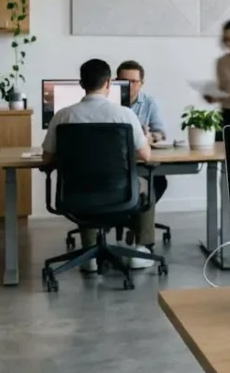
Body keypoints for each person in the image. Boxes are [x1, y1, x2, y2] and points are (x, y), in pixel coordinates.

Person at [43, 58, 156, 270]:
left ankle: (89, 254)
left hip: (75, 194)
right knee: (146, 186)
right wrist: (147, 139)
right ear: (108, 84)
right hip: (119, 192)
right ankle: (141, 249)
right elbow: (146, 156)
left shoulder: (62, 116)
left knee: (85, 184)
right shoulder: (125, 114)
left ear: (81, 84)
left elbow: (46, 158)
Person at [116, 59, 169, 203]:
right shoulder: (108, 102)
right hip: (113, 158)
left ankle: (136, 216)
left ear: (142, 83)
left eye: (134, 81)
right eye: (124, 81)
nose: (129, 86)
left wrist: (151, 137)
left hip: (139, 156)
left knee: (159, 182)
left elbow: (161, 133)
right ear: (115, 82)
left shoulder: (149, 102)